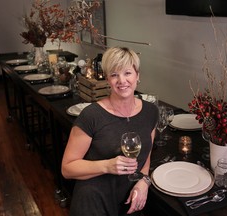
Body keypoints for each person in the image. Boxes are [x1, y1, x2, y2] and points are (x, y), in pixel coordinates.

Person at [61, 47, 159, 216]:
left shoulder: (151, 112)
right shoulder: (91, 115)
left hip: (128, 201)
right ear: (107, 79)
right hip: (93, 203)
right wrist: (107, 165)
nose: (122, 80)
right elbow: (67, 168)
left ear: (138, 75)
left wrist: (144, 181)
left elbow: (146, 155)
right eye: (114, 75)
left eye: (127, 73)